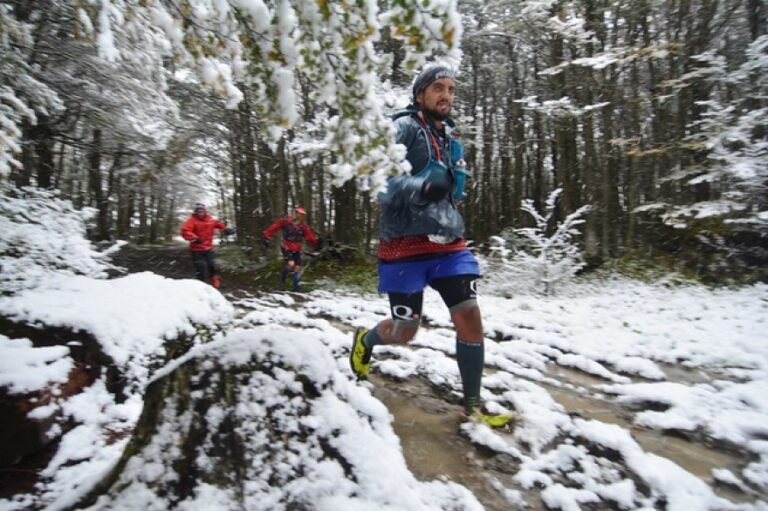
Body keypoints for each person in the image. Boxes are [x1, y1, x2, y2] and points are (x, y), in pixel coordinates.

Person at [348, 63, 511, 427]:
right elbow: (379, 183)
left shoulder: (453, 141)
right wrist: (419, 187)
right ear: (420, 94)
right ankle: (366, 340)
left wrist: (451, 188)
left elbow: (454, 191)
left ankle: (472, 407)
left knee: (469, 314)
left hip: (448, 244)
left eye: (451, 89)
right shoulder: (402, 127)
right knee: (405, 331)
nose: (446, 96)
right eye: (438, 88)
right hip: (403, 246)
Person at [262, 207, 321, 291]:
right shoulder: (285, 221)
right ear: (295, 213)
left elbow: (310, 236)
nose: (300, 216)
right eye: (299, 213)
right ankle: (281, 284)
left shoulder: (303, 226)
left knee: (297, 268)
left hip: (297, 249)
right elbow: (274, 227)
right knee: (291, 263)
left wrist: (317, 243)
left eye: (302, 215)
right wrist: (266, 236)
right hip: (286, 247)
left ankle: (296, 288)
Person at [180, 203, 234, 288]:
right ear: (196, 212)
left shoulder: (210, 220)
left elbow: (219, 225)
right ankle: (200, 284)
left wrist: (226, 229)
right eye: (199, 211)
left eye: (202, 211)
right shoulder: (191, 221)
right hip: (196, 249)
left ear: (205, 212)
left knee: (211, 265)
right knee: (200, 267)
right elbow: (185, 231)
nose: (200, 213)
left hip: (208, 248)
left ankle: (214, 278)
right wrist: (194, 238)